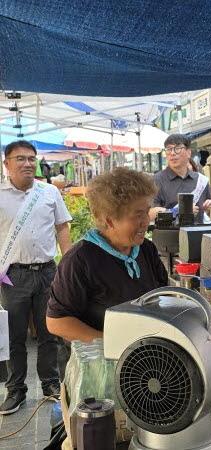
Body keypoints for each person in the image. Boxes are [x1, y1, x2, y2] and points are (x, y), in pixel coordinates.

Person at [46, 168, 168, 343]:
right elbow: (57, 322)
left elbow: (162, 295)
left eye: (147, 211)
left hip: (145, 353)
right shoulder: (79, 260)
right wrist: (112, 343)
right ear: (109, 220)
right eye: (138, 215)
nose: (146, 222)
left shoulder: (146, 249)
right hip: (103, 359)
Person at [0, 140, 72, 415]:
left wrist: (66, 264)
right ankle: (16, 390)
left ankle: (51, 384)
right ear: (7, 164)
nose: (27, 163)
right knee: (14, 336)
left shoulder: (49, 191)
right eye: (20, 159)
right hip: (12, 276)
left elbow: (62, 227)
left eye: (31, 158)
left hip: (47, 272)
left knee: (49, 332)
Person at [149, 134, 211, 222]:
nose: (172, 153)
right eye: (169, 149)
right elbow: (149, 213)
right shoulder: (156, 180)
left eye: (177, 149)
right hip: (169, 234)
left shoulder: (201, 180)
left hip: (198, 233)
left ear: (188, 153)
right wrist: (177, 211)